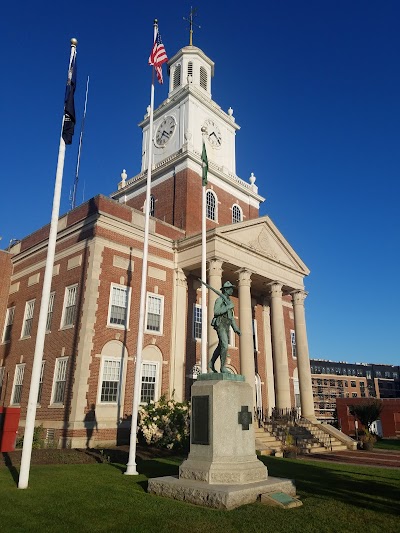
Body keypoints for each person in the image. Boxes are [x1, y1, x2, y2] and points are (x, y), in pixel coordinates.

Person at [209, 281, 241, 373]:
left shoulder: (228, 301)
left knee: (221, 346)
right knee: (224, 344)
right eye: (230, 288)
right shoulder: (220, 300)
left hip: (226, 324)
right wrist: (228, 307)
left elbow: (231, 317)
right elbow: (216, 311)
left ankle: (211, 363)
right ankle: (222, 367)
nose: (232, 290)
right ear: (226, 290)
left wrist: (236, 329)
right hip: (220, 324)